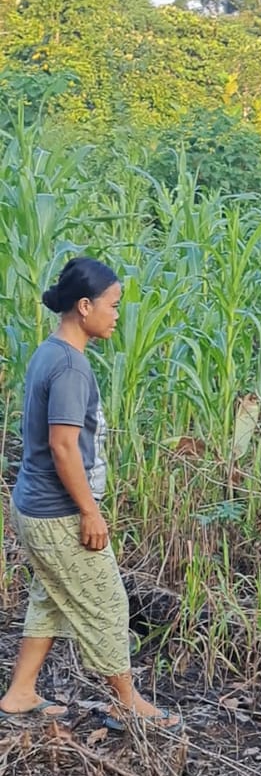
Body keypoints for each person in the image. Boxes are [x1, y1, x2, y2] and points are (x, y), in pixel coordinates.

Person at [0, 257, 180, 729]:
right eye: (113, 305)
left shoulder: (49, 352)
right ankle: (128, 702)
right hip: (57, 511)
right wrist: (89, 511)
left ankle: (20, 693)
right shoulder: (71, 368)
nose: (118, 315)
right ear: (84, 307)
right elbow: (62, 446)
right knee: (107, 600)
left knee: (51, 597)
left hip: (34, 506)